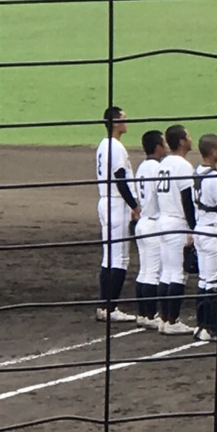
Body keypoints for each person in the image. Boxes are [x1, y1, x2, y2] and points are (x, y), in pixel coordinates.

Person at [94, 107, 139, 322]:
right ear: (114, 123)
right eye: (123, 118)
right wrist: (135, 205)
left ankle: (104, 306)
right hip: (116, 203)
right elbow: (120, 178)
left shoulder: (103, 145)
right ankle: (111, 308)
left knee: (108, 257)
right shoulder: (116, 147)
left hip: (105, 202)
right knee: (119, 258)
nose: (126, 121)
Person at [151, 124, 197, 335]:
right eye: (188, 136)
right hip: (178, 222)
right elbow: (187, 199)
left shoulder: (163, 163)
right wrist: (194, 228)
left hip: (163, 221)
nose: (190, 139)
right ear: (181, 141)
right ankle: (172, 322)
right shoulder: (183, 166)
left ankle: (164, 319)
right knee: (178, 273)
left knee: (166, 272)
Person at [189, 133, 217, 342]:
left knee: (204, 280)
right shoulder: (214, 177)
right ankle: (210, 329)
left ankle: (201, 326)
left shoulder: (196, 172)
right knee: (213, 282)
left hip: (200, 230)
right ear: (213, 151)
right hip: (213, 231)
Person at [130, 129, 168, 329]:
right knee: (153, 272)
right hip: (153, 223)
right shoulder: (156, 168)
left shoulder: (143, 166)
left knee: (144, 271)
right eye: (164, 144)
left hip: (142, 222)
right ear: (158, 147)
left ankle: (143, 314)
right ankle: (151, 315)